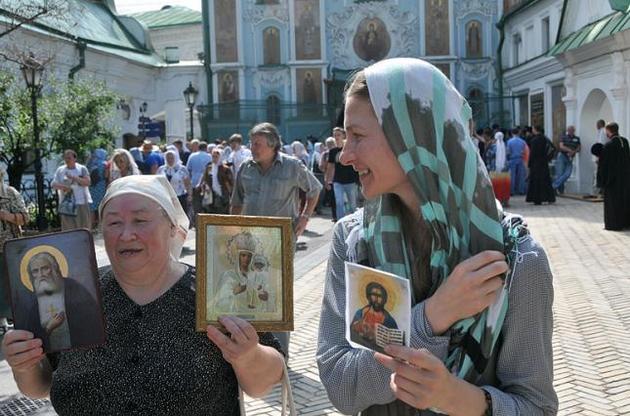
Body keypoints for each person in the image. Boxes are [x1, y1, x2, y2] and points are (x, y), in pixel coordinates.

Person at [317, 58, 557, 415]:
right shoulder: (353, 241)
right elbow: (340, 386)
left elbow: (536, 407)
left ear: (413, 136)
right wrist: (430, 318)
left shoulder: (514, 259)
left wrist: (455, 397)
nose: (345, 155)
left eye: (358, 136)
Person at [1, 175, 285, 415]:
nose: (126, 234)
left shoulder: (214, 291)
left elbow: (264, 383)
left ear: (172, 227)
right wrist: (24, 365)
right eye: (114, 223)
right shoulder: (75, 294)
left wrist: (249, 356)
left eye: (140, 220)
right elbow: (40, 386)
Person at [231, 122, 322, 358]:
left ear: (272, 146)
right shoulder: (245, 168)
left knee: (277, 291)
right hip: (249, 241)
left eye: (257, 144)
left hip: (280, 240)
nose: (252, 148)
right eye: (251, 143)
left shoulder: (292, 166)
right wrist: (230, 230)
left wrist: (305, 217)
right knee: (248, 288)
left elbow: (314, 189)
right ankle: (253, 346)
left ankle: (280, 351)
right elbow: (236, 202)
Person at [22, 251, 103, 352]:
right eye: (35, 271)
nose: (41, 274)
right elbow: (31, 338)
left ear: (54, 269)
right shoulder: (33, 303)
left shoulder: (74, 288)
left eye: (45, 268)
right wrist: (49, 328)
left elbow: (92, 320)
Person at [0, 166, 28, 334]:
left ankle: (14, 317)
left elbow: (25, 217)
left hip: (9, 247)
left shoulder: (10, 193)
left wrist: (7, 216)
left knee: (12, 284)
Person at [597, 122, 630, 231]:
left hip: (613, 180)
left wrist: (602, 180)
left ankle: (613, 224)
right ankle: (625, 222)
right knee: (624, 200)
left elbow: (604, 165)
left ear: (608, 130)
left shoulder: (609, 145)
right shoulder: (625, 142)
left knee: (613, 203)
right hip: (625, 178)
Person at [52, 149, 92, 231]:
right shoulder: (60, 170)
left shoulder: (82, 169)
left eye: (69, 158)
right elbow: (53, 184)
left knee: (83, 228)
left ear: (75, 158)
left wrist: (74, 178)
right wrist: (65, 187)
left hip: (81, 202)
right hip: (66, 204)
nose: (67, 160)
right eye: (65, 158)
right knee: (68, 229)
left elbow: (87, 182)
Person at [350, 282, 398, 349]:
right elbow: (351, 333)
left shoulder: (389, 320)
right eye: (374, 294)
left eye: (380, 296)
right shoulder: (360, 313)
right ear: (369, 296)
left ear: (384, 299)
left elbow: (396, 343)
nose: (376, 298)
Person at [325, 127, 359, 220]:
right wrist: (327, 180)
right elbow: (330, 166)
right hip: (338, 181)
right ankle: (340, 221)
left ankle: (354, 221)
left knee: (352, 204)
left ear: (343, 136)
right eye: (335, 135)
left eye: (338, 135)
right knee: (339, 202)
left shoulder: (349, 149)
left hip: (350, 180)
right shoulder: (332, 151)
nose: (336, 137)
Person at [526, 126, 556, 205]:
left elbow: (532, 154)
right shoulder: (545, 139)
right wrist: (547, 158)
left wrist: (529, 164)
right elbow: (552, 148)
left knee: (536, 182)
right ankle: (549, 197)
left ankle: (537, 199)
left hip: (536, 163)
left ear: (536, 130)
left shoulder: (534, 140)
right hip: (544, 162)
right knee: (546, 180)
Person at [157, 149, 192, 214]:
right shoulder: (161, 169)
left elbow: (188, 184)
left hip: (179, 196)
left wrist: (189, 195)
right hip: (166, 197)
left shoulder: (182, 169)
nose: (170, 160)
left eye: (171, 158)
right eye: (168, 158)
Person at [201, 147, 234, 214]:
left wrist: (231, 194)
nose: (214, 159)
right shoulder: (209, 167)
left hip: (223, 195)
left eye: (216, 157)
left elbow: (230, 183)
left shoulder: (225, 169)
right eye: (213, 156)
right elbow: (205, 179)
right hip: (211, 195)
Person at [187, 141, 213, 220]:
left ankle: (197, 220)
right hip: (206, 183)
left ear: (198, 147)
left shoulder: (192, 156)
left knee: (196, 203)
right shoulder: (209, 156)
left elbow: (188, 169)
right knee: (207, 202)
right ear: (206, 148)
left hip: (194, 181)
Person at [553, 125, 581, 194]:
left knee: (567, 174)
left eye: (572, 130)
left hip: (570, 158)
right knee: (560, 174)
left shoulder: (577, 138)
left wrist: (574, 152)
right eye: (569, 130)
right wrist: (570, 150)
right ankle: (560, 191)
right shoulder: (563, 137)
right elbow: (561, 146)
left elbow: (579, 147)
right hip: (562, 156)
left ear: (574, 131)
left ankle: (553, 186)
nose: (571, 131)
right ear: (567, 131)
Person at [87, 149, 108, 229]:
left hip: (91, 188)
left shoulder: (90, 163)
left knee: (92, 208)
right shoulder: (104, 164)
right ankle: (100, 226)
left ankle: (90, 226)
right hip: (101, 187)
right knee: (101, 206)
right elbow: (106, 176)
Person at [319, 137, 338, 221]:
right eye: (329, 144)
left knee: (338, 198)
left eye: (331, 143)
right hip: (330, 178)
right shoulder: (325, 154)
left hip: (338, 177)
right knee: (333, 198)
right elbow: (321, 166)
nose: (330, 145)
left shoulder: (338, 152)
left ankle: (339, 215)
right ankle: (335, 216)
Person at [506, 128, 527, 196]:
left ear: (512, 133)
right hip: (520, 158)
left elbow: (508, 152)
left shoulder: (509, 141)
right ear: (518, 133)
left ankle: (512, 191)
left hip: (512, 159)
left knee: (512, 176)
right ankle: (521, 190)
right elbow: (525, 151)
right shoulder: (522, 141)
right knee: (521, 176)